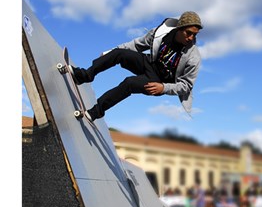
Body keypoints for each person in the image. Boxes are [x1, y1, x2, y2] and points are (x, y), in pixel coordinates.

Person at [69, 11, 203, 123]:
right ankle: (84, 76)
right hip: (149, 63)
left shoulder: (193, 56)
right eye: (188, 33)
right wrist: (109, 53)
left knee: (129, 83)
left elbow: (186, 85)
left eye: (194, 35)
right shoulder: (161, 33)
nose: (191, 38)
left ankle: (95, 112)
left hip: (159, 81)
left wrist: (163, 88)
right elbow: (137, 45)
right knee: (119, 53)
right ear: (179, 28)